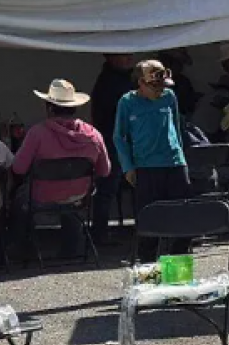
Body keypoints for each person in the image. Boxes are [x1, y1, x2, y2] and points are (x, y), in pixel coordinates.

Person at [11, 80, 111, 259]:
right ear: (75, 108)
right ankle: (73, 248)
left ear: (49, 107)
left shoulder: (37, 133)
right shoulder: (93, 134)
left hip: (42, 195)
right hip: (80, 196)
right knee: (71, 198)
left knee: (18, 198)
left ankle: (22, 249)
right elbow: (105, 171)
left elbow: (18, 168)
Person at [114, 60, 190, 260]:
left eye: (162, 85)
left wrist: (182, 158)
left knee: (182, 219)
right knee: (148, 222)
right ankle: (149, 273)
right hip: (146, 166)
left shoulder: (169, 97)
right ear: (141, 82)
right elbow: (119, 136)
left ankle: (178, 269)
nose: (160, 90)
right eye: (154, 86)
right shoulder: (127, 102)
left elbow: (177, 128)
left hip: (174, 163)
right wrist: (127, 167)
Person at [89, 53, 136, 241]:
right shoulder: (109, 83)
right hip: (113, 140)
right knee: (107, 187)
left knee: (132, 186)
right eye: (124, 55)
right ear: (111, 57)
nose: (129, 58)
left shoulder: (123, 79)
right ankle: (100, 232)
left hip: (124, 140)